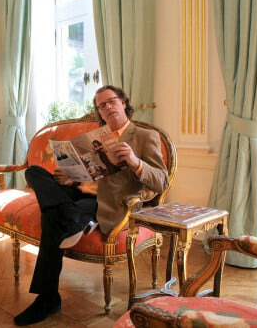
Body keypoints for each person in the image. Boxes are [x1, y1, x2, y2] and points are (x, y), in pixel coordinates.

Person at [14, 85, 169, 326]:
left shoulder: (145, 136)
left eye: (111, 102)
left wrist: (136, 162)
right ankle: (70, 213)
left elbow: (162, 181)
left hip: (106, 201)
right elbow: (85, 174)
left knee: (51, 217)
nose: (107, 107)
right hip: (76, 192)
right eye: (101, 105)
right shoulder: (96, 137)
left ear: (124, 103)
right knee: (34, 172)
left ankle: (47, 299)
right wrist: (69, 177)